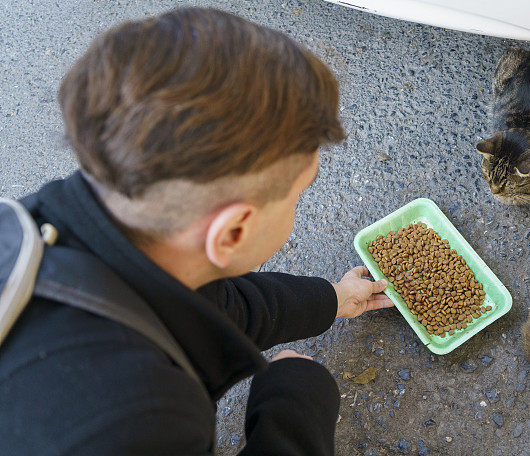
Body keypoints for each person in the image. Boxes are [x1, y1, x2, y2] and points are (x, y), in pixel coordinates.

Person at [0, 7, 393, 455]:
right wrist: (296, 399)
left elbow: (205, 301)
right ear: (230, 233)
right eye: (301, 193)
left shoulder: (46, 228)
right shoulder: (140, 421)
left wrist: (330, 299)